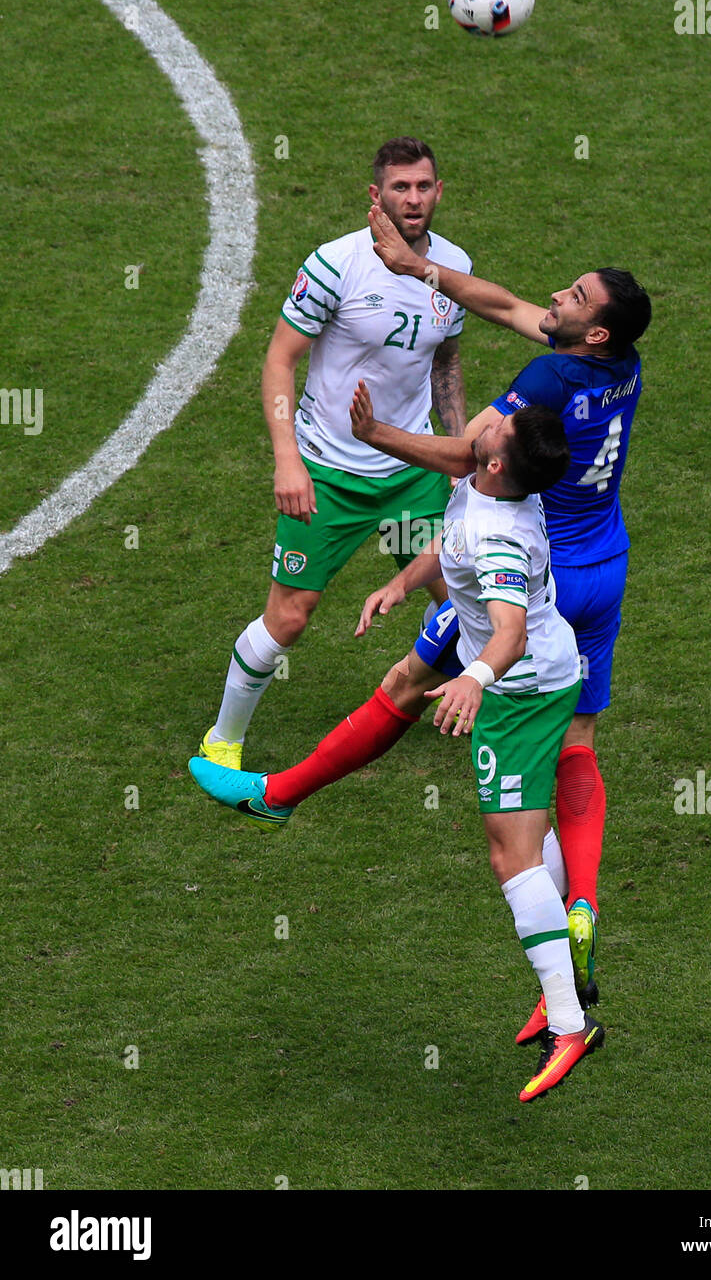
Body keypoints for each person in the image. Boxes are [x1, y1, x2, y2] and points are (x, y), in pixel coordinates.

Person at [201, 213, 651, 1037]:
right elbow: (511, 305)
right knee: (576, 748)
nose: (555, 294)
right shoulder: (622, 364)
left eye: (574, 294)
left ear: (592, 330)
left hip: (528, 576)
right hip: (602, 568)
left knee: (415, 684)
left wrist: (377, 434)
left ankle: (280, 794)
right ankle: (579, 902)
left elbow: (469, 456)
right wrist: (420, 268)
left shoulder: (545, 388)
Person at [190, 405, 605, 1102]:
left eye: (493, 432)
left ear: (497, 463)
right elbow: (451, 535)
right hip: (546, 677)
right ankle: (568, 943)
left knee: (513, 858)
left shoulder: (503, 535)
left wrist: (473, 682)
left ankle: (569, 1021)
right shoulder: (491, 480)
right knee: (520, 840)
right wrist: (400, 581)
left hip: (520, 693)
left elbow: (506, 634)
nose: (483, 426)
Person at [197, 139, 470, 768]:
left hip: (412, 471)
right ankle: (224, 738)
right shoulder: (334, 265)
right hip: (328, 473)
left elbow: (446, 363)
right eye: (400, 188)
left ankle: (487, 708)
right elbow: (279, 359)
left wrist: (457, 459)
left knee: (461, 593)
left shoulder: (452, 268)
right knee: (290, 617)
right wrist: (288, 460)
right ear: (376, 196)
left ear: (438, 192)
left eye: (424, 186)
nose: (413, 198)